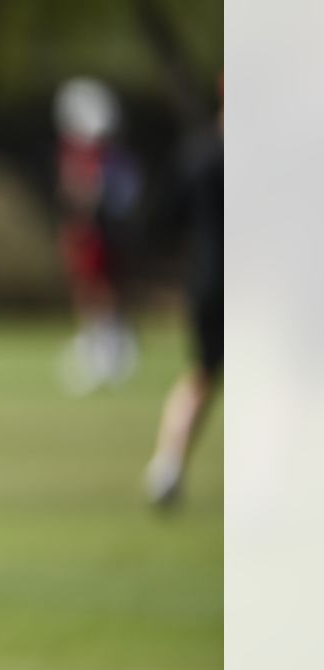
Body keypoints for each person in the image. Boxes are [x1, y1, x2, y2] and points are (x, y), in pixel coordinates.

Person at [143, 78, 223, 508]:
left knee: (201, 375)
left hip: (206, 282)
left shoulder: (199, 153)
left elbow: (164, 219)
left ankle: (168, 465)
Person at [52, 77, 142, 395]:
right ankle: (96, 346)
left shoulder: (102, 155)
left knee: (101, 289)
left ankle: (111, 349)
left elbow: (92, 191)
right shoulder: (78, 151)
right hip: (84, 229)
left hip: (98, 229)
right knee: (87, 289)